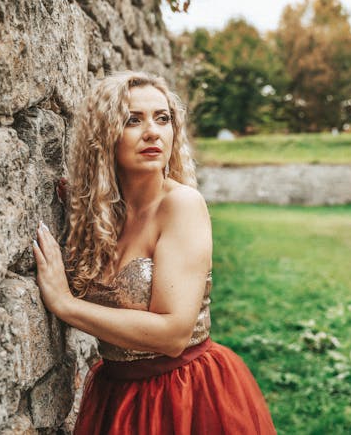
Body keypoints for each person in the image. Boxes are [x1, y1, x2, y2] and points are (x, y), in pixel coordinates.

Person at [32, 71, 276, 434]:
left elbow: (172, 334)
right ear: (105, 136)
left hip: (185, 395)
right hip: (115, 397)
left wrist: (66, 305)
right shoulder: (95, 214)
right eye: (133, 120)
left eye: (163, 118)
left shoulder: (182, 205)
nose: (152, 132)